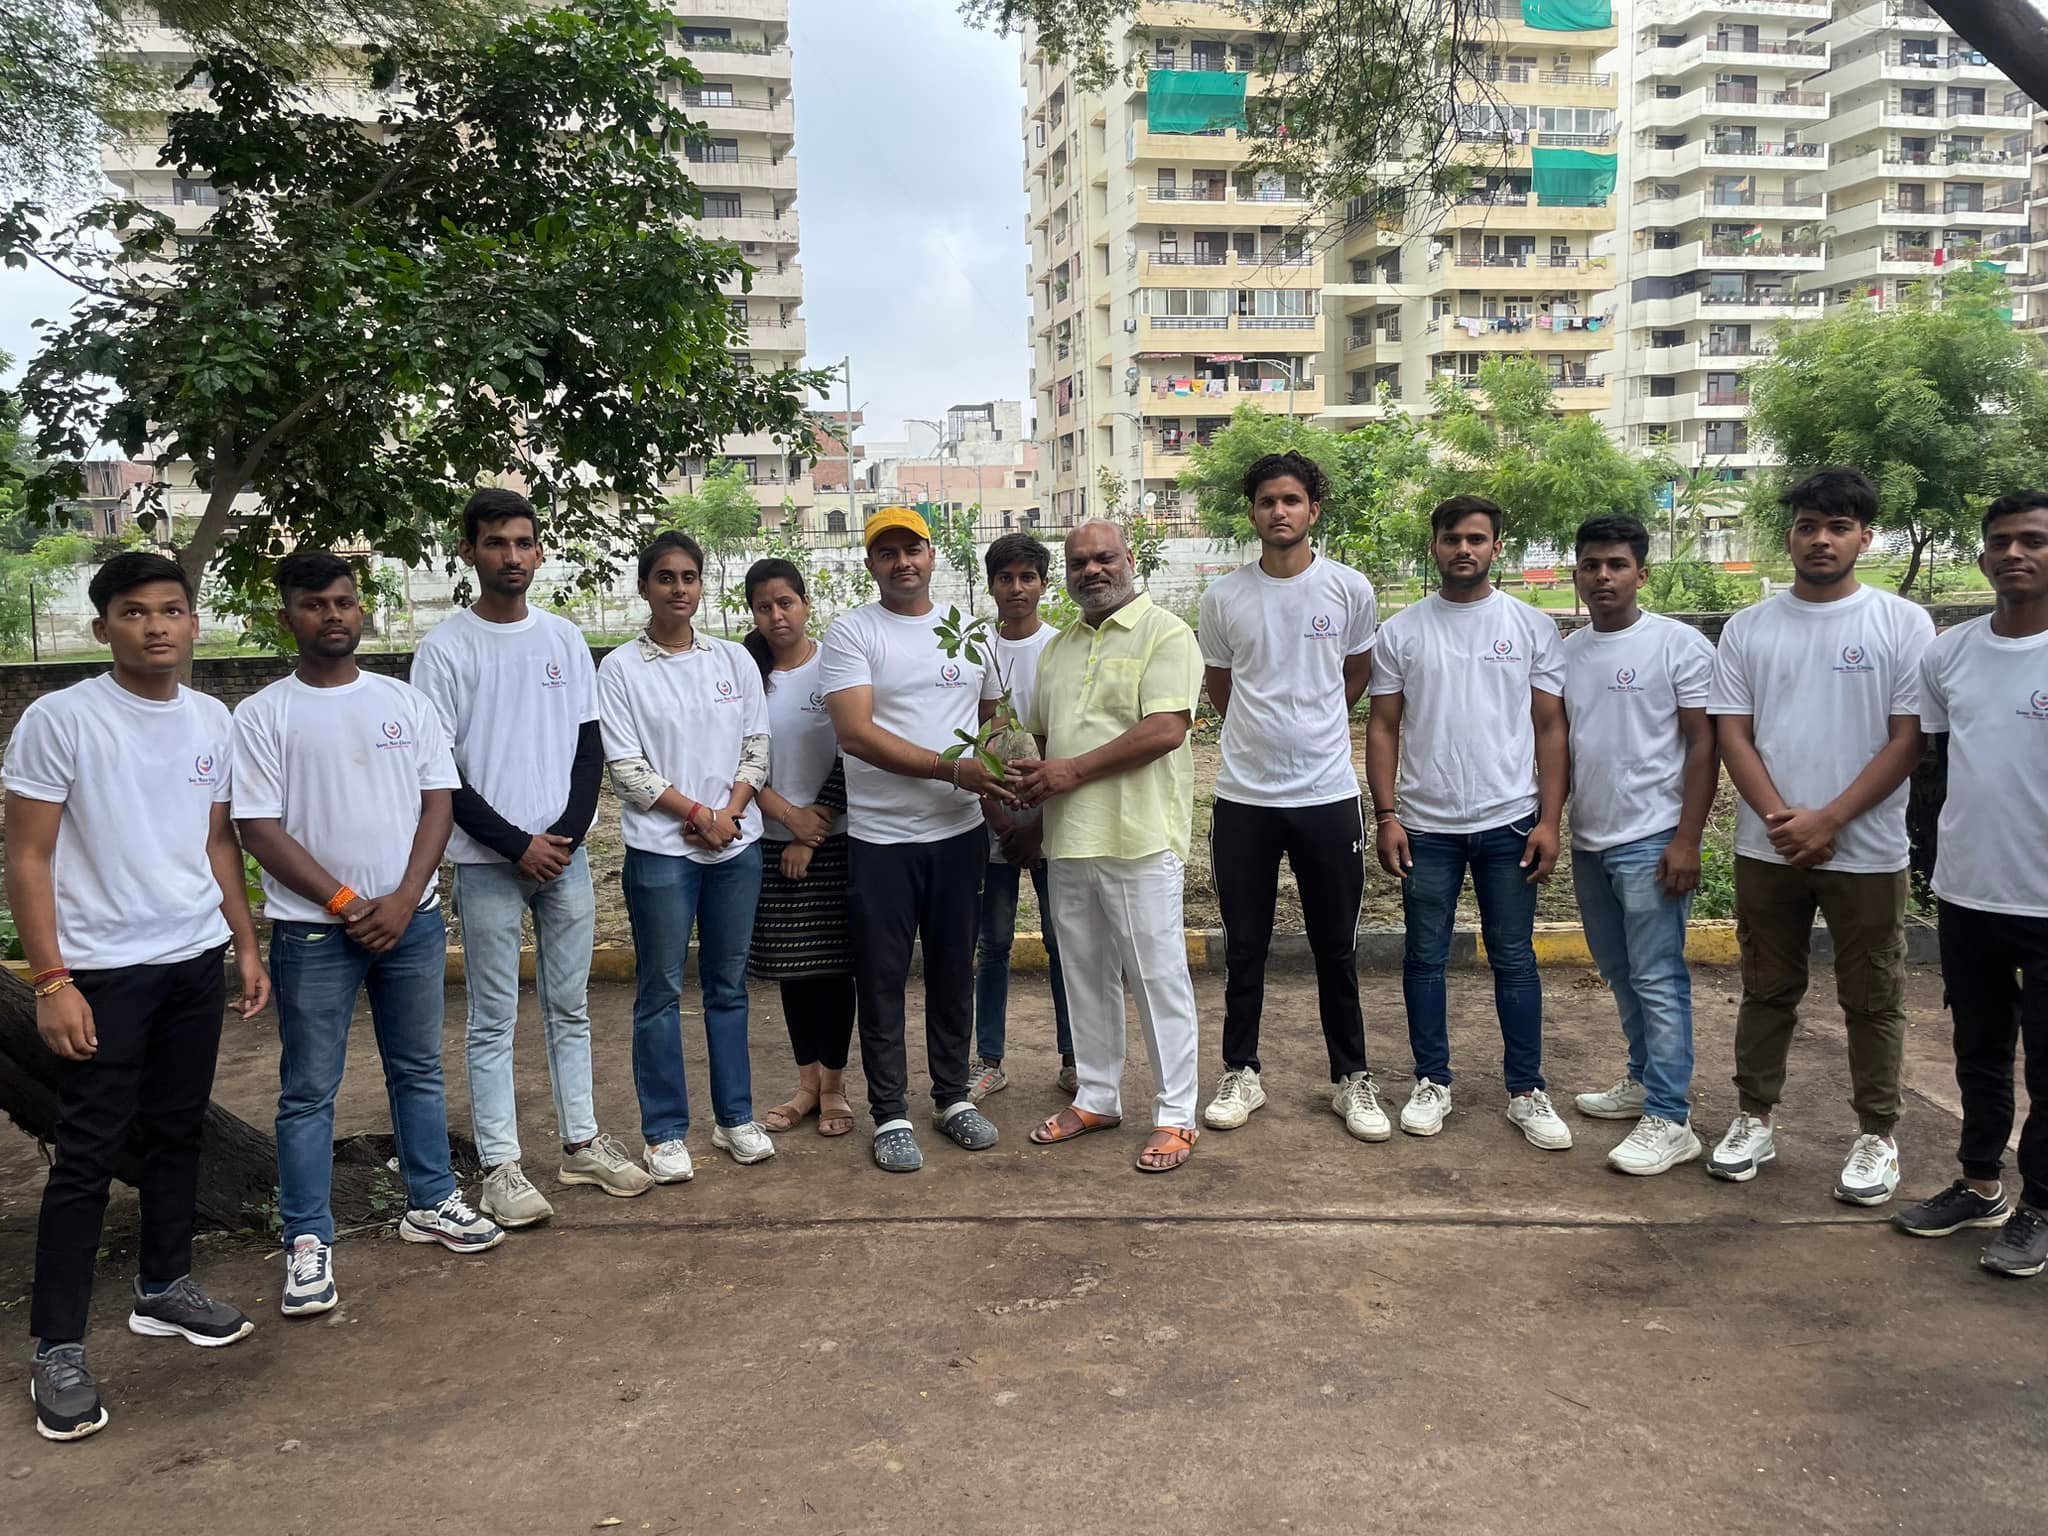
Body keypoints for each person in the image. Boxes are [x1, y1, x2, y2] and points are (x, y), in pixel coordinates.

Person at [5, 553, 268, 1443]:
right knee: (86, 1155)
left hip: (192, 958)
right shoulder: (61, 720)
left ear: (194, 622)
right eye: (134, 613)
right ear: (102, 628)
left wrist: (242, 941)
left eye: (172, 610)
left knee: (177, 1128)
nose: (156, 626)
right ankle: (58, 1347)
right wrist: (52, 981)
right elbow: (29, 857)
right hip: (102, 973)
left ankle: (164, 1286)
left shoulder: (210, 718)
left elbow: (217, 842)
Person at [235, 551, 501, 1323]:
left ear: (363, 610)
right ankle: (308, 1241)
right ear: (288, 617)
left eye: (345, 602)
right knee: (307, 1091)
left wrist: (406, 897)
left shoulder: (403, 703)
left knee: (417, 1069)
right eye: (315, 604)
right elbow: (257, 827)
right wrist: (352, 902)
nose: (333, 615)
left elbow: (438, 804)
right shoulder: (263, 714)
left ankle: (431, 1200)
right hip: (313, 933)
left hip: (410, 923)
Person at [411, 489, 650, 1228]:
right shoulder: (445, 649)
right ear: (468, 552)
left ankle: (580, 1143)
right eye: (494, 543)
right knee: (492, 1015)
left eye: (522, 542)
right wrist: (517, 844)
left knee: (570, 1006)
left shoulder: (563, 640)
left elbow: (588, 748)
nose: (511, 556)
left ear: (539, 551)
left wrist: (566, 837)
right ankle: (501, 1165)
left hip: (564, 858)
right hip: (486, 864)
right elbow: (439, 769)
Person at [1707, 466, 1934, 1203]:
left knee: (1873, 996)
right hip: (1765, 847)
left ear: (1865, 538)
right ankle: (1753, 1118)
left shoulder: (1901, 623)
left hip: (1865, 850)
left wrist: (1829, 819)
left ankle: (1877, 1134)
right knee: (1767, 987)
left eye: (1838, 527)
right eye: (1808, 526)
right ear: (1789, 536)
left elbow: (1908, 741)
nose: (1821, 539)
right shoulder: (1749, 628)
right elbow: (1733, 736)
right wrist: (1784, 822)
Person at [1366, 494, 1572, 1150]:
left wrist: (1550, 819)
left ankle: (1527, 1089)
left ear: (1495, 548)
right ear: (1434, 546)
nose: (1464, 549)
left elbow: (1549, 727)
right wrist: (1388, 813)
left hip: (1510, 822)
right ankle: (1432, 1081)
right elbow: (1383, 726)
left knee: (1514, 957)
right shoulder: (1402, 632)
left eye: (1477, 539)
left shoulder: (1531, 626)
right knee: (1424, 957)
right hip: (1425, 826)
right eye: (1452, 538)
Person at [1198, 450, 1384, 1141]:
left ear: (1313, 509)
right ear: (1252, 511)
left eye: (1292, 500)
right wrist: (1259, 730)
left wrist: (1314, 724)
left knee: (1335, 945)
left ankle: (1351, 1078)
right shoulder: (1224, 597)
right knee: (1245, 946)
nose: (1280, 511)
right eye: (1267, 500)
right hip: (1244, 796)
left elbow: (1356, 670)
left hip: (1327, 793)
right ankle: (1241, 1071)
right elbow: (1221, 686)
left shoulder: (1348, 589)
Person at [821, 507, 1011, 1172]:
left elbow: (991, 717)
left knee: (956, 969)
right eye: (888, 552)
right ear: (870, 564)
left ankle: (953, 1098)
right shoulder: (852, 634)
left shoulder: (966, 631)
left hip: (958, 835)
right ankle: (892, 1112)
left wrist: (990, 775)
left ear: (934, 556)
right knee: (881, 979)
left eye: (914, 549)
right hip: (882, 841)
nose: (903, 562)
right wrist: (947, 769)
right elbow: (855, 733)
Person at [1017, 520, 1205, 1172]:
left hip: (1140, 837)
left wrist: (1069, 772)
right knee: (1085, 976)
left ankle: (1176, 1114)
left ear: (1130, 560)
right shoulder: (1058, 648)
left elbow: (1164, 730)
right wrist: (1028, 791)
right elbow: (1042, 742)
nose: (1091, 571)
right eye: (1078, 562)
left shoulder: (1167, 634)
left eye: (1104, 559)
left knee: (1157, 978)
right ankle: (1098, 1096)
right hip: (1069, 840)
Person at [1893, 489, 2048, 1276]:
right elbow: (1935, 766)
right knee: (1978, 1049)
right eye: (2000, 541)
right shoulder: (1948, 653)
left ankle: (2040, 1205)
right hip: (1971, 889)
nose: (2014, 554)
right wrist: (1931, 860)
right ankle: (1980, 1181)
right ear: (1982, 554)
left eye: (2033, 540)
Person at [598, 531, 775, 1182]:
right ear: (644, 586)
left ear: (703, 585)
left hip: (735, 848)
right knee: (661, 990)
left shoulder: (732, 661)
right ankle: (665, 1131)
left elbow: (756, 746)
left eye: (690, 577)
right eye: (666, 577)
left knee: (729, 988)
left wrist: (727, 813)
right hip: (662, 852)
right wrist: (698, 815)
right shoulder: (620, 669)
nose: (680, 588)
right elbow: (626, 768)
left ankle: (735, 1119)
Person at [1561, 514, 1718, 1175]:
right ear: (1577, 575)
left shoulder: (1676, 647)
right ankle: (1640, 1080)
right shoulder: (1568, 652)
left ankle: (1670, 1115)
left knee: (1658, 978)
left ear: (1641, 574)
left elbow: (1704, 743)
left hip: (1651, 839)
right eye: (1592, 565)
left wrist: (1687, 839)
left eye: (1617, 565)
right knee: (1621, 972)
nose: (1604, 576)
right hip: (1591, 840)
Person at [742, 558, 858, 1139]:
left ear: (806, 603)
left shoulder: (833, 667)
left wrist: (815, 829)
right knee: (795, 970)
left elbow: (854, 748)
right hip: (771, 841)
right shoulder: (745, 673)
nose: (777, 615)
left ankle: (835, 1086)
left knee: (834, 971)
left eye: (786, 602)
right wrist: (789, 823)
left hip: (836, 842)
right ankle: (806, 1084)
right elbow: (734, 759)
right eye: (764, 606)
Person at [969, 531, 1075, 1101]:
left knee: (1064, 941)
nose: (1016, 588)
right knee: (994, 944)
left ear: (1042, 583)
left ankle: (1072, 1056)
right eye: (1005, 578)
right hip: (992, 824)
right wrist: (999, 819)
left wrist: (1035, 825)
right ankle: (989, 1059)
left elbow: (1063, 741)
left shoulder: (1063, 648)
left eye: (1027, 577)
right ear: (991, 586)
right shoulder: (976, 651)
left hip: (1050, 824)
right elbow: (973, 741)